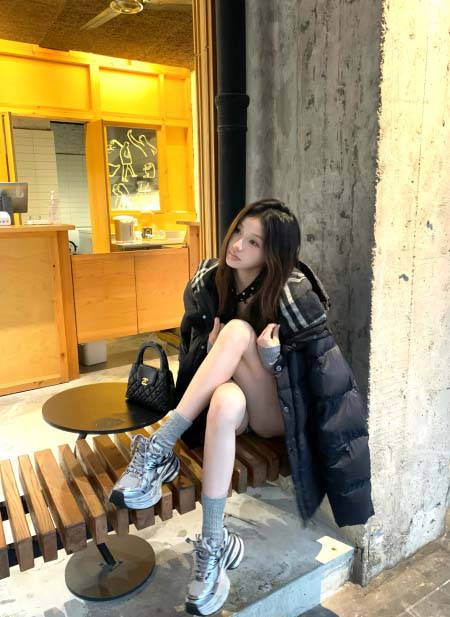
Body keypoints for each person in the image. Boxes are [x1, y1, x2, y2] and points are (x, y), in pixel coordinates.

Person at [109, 199, 374, 616]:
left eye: (254, 242)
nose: (237, 246)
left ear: (273, 253)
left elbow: (323, 384)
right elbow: (192, 362)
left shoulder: (292, 293)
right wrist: (209, 349)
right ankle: (215, 544)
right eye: (238, 233)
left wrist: (274, 361)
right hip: (238, 401)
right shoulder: (210, 283)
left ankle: (159, 447)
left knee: (236, 331)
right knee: (224, 400)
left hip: (276, 414)